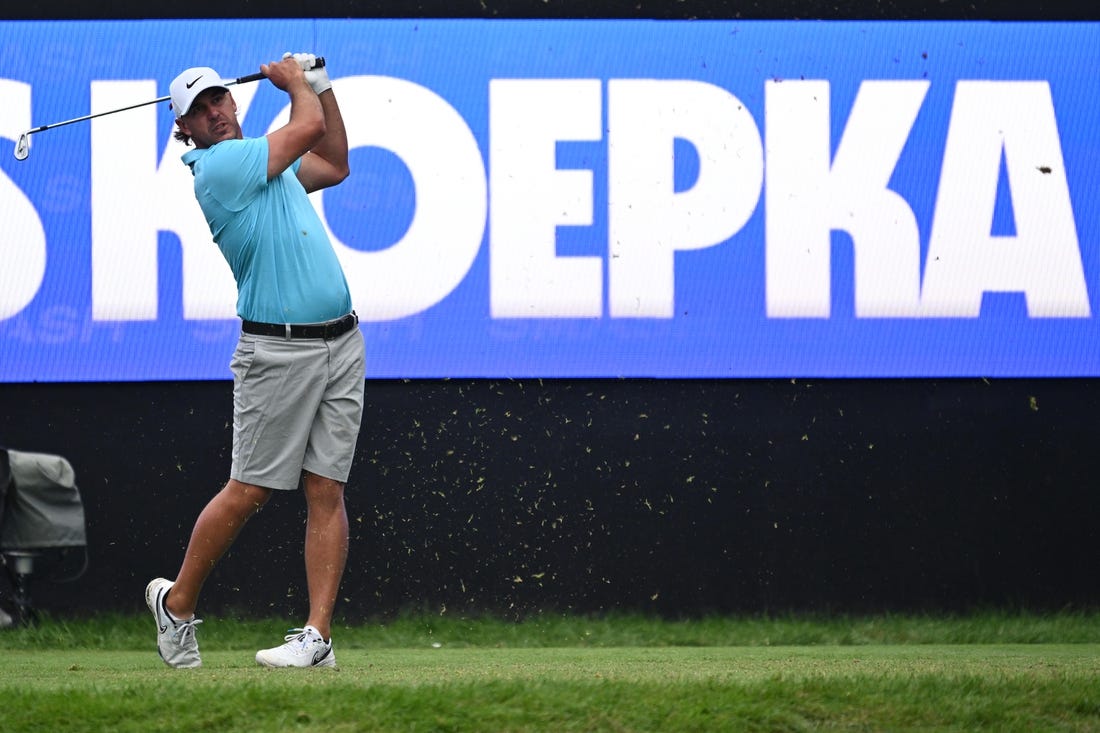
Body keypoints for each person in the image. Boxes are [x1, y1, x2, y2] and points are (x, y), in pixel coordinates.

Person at [145, 53, 364, 669]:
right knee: (250, 490)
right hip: (277, 351)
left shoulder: (273, 168)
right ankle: (178, 604)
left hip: (341, 343)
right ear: (183, 129)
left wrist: (320, 87)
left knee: (327, 488)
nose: (214, 112)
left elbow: (337, 162)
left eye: (218, 99)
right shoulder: (218, 168)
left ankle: (316, 637)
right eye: (198, 110)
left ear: (232, 102)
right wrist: (296, 82)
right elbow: (306, 129)